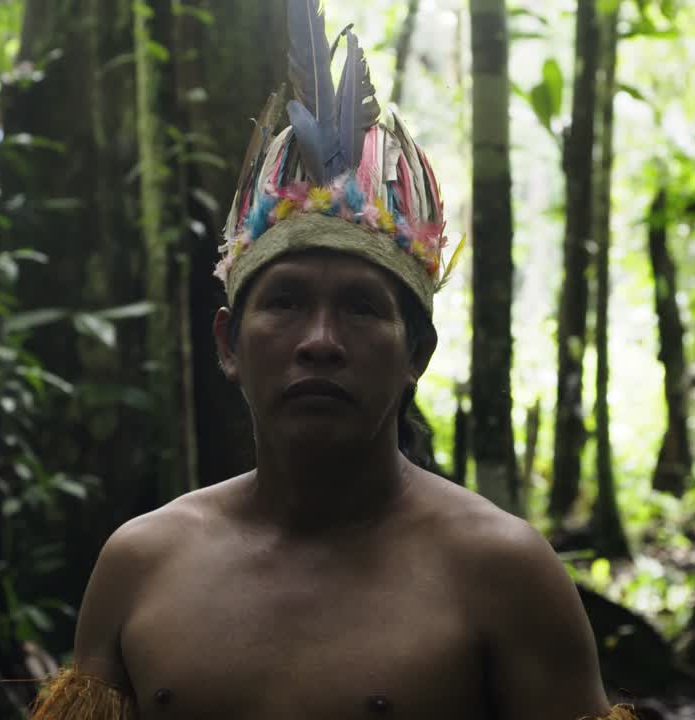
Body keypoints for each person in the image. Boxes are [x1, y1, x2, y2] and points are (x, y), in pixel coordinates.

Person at [31, 1, 638, 718]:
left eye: (359, 307)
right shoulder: (141, 566)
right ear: (228, 344)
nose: (319, 339)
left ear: (416, 353)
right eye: (284, 302)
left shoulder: (503, 573)